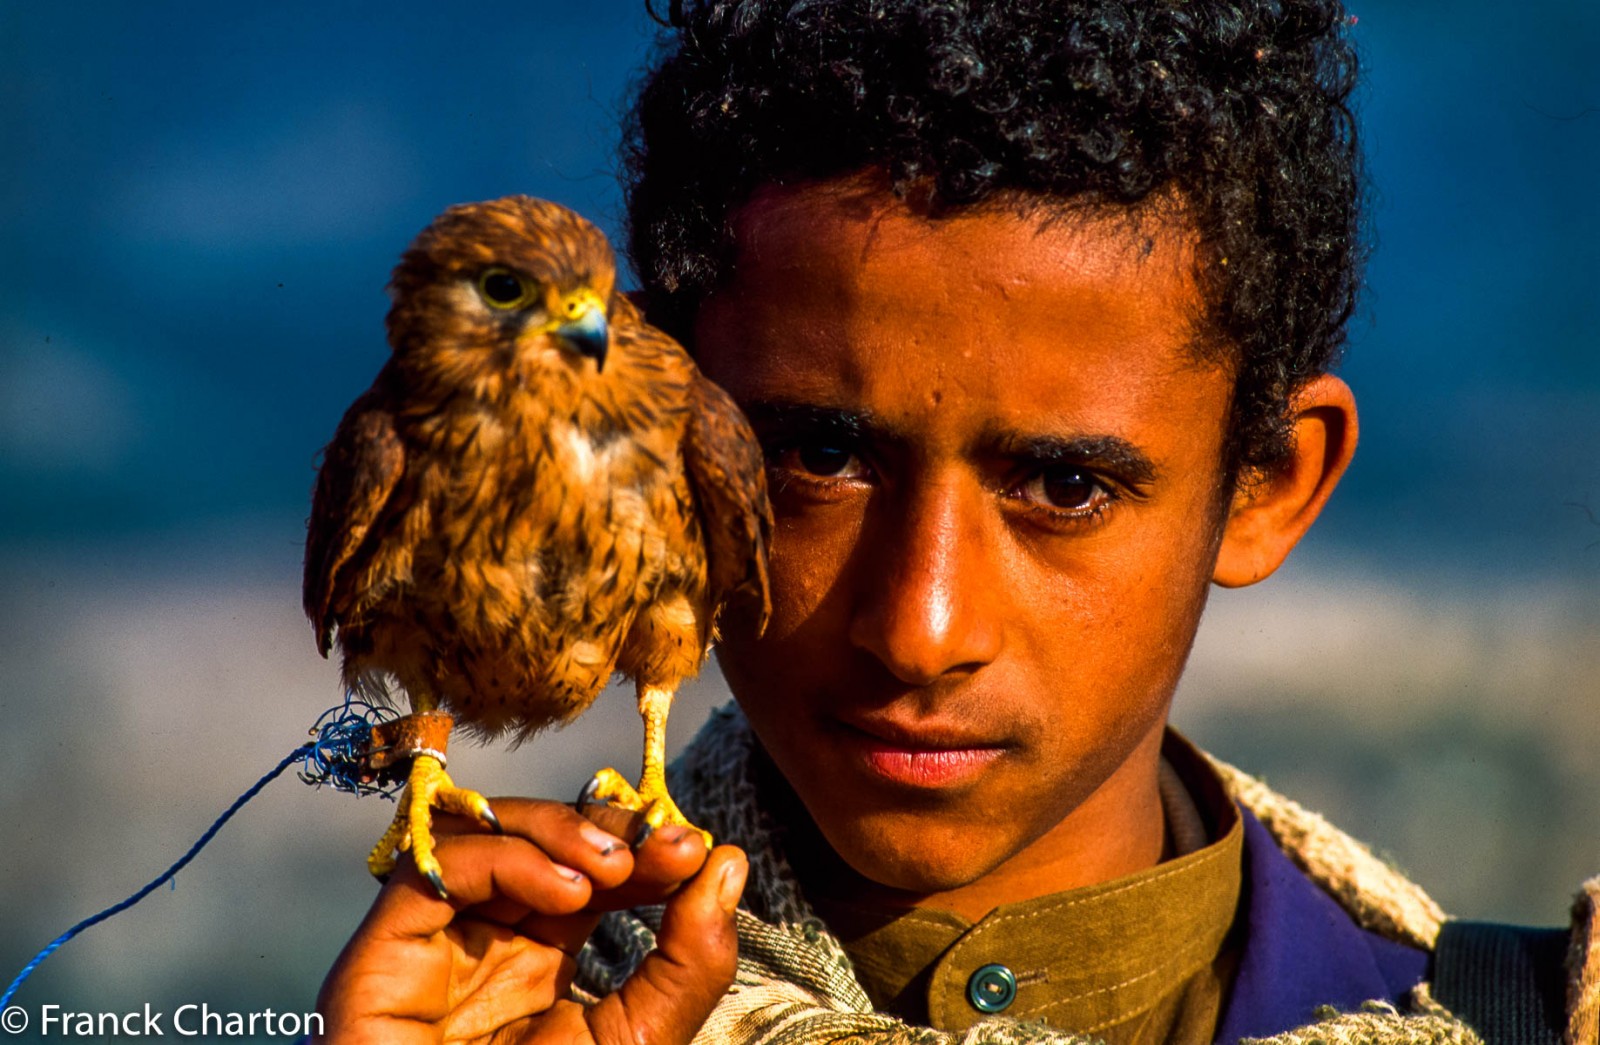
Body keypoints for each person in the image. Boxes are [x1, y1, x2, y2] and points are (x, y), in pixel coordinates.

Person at [311, 1, 1599, 1043]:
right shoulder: (499, 1005)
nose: (918, 629)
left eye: (1064, 488)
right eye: (821, 456)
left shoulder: (1527, 1024)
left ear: (1266, 485)